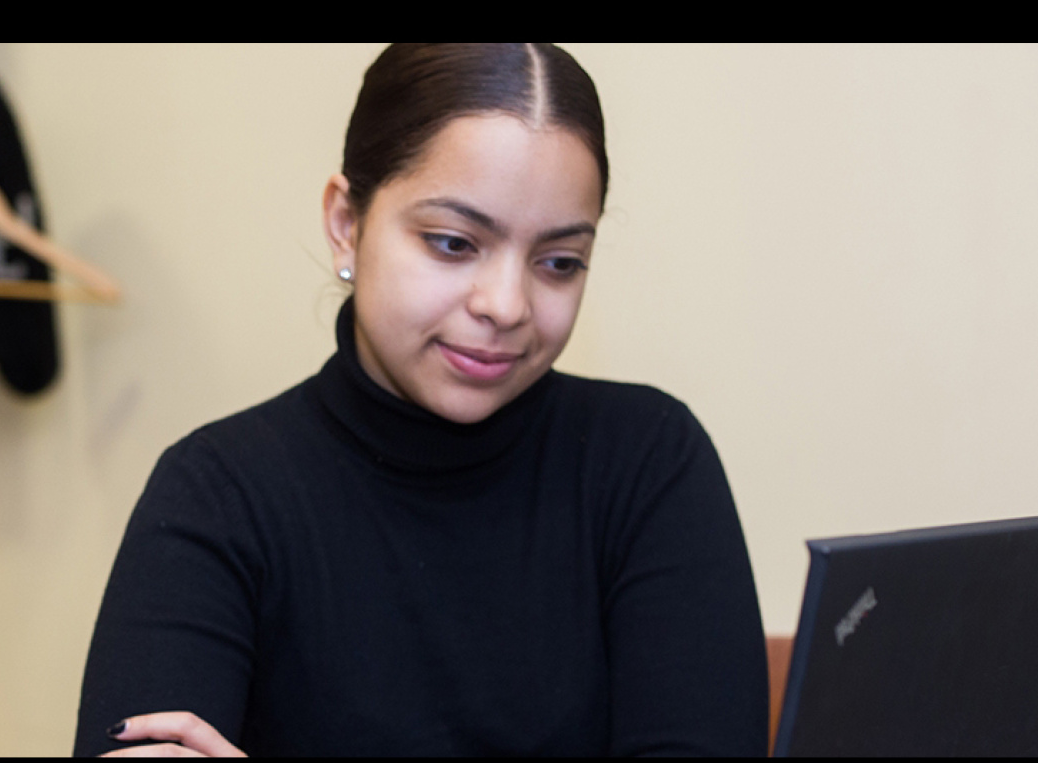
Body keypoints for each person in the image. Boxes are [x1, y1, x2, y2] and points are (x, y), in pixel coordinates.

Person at [74, 43, 767, 757]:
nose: (505, 305)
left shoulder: (648, 463)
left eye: (559, 262)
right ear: (348, 221)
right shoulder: (216, 494)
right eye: (452, 243)